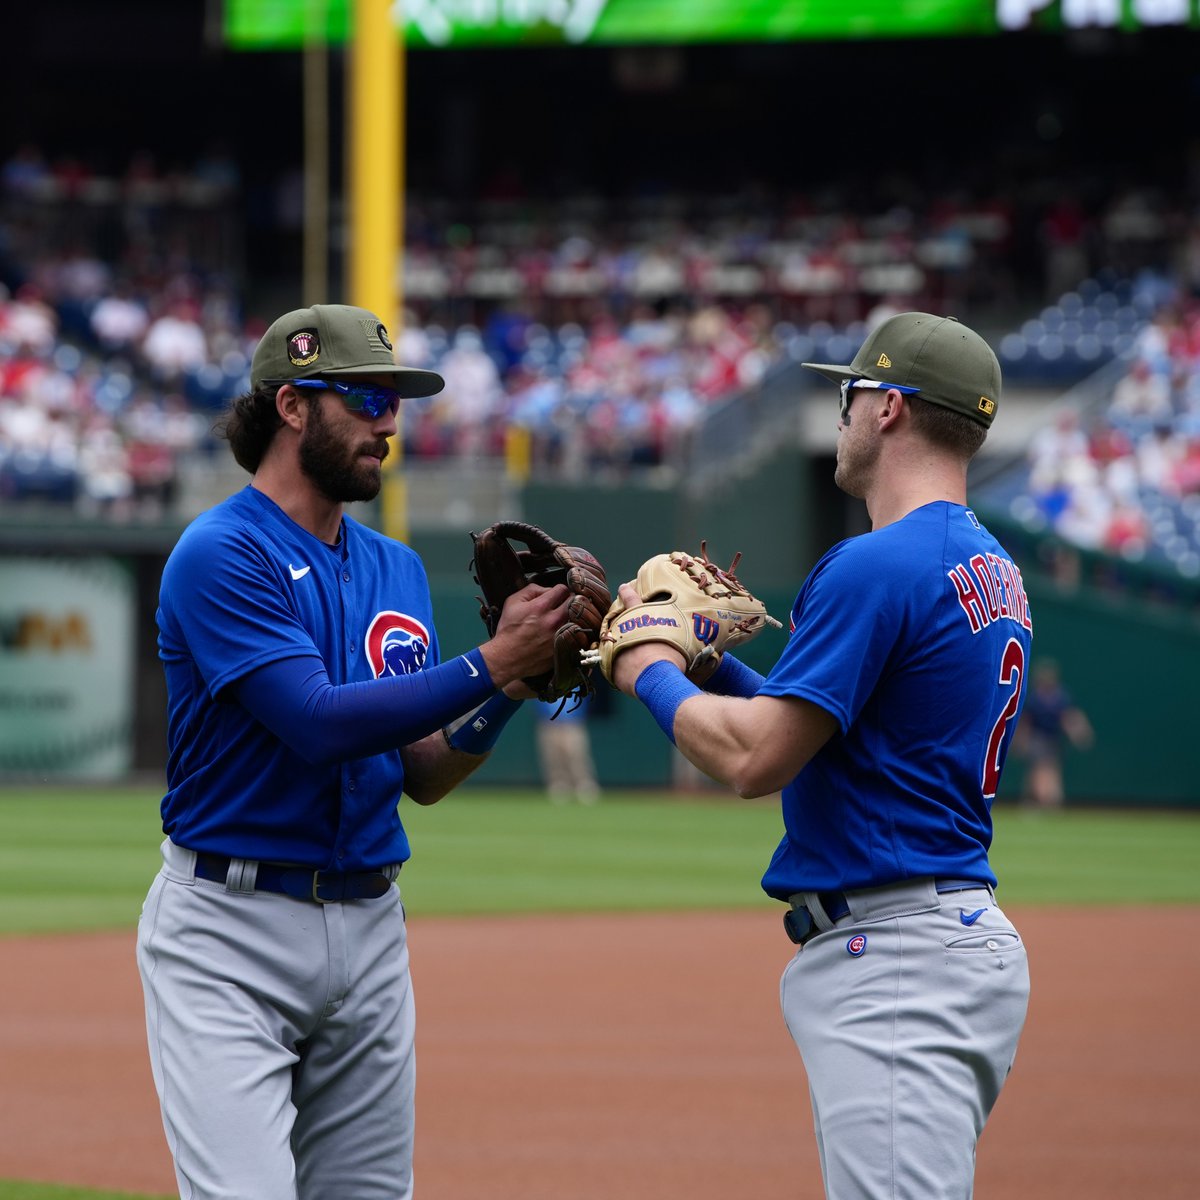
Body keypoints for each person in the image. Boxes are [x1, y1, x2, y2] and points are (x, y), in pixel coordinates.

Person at [135, 303, 569, 1200]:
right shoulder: (220, 552)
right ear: (293, 406)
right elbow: (319, 722)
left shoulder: (397, 568)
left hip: (371, 924)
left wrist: (508, 692)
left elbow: (422, 774)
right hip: (231, 929)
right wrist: (490, 659)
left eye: (397, 399)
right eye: (367, 397)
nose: (390, 420)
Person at [609, 312, 1033, 1200]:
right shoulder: (988, 564)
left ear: (890, 409)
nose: (840, 411)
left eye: (851, 393)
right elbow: (833, 735)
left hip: (897, 955)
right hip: (948, 931)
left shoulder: (873, 564)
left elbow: (757, 761)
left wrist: (644, 664)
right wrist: (715, 663)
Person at [1018, 657, 1094, 808]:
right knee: (1038, 769)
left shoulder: (1061, 696)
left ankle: (1050, 800)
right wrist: (1021, 740)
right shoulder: (1034, 698)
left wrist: (1078, 733)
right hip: (1037, 738)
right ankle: (1037, 800)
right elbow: (1026, 721)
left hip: (1053, 738)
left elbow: (1069, 717)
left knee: (1051, 768)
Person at [534, 692, 601, 804]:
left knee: (577, 756)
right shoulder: (542, 681)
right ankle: (559, 788)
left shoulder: (576, 678)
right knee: (553, 758)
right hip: (549, 723)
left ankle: (584, 787)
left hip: (573, 722)